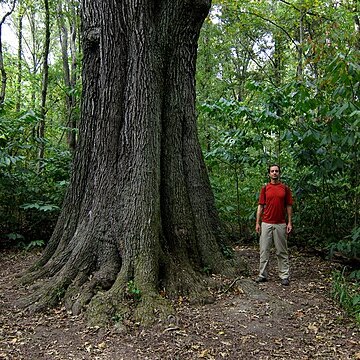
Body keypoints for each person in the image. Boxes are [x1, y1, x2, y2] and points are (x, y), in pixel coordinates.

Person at [255, 164, 293, 286]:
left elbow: (288, 206)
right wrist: (258, 223)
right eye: (272, 171)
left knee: (281, 250)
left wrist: (289, 222)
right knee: (264, 250)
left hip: (280, 224)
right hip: (266, 223)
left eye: (276, 171)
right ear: (269, 174)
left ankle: (284, 275)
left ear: (279, 173)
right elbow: (260, 206)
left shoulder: (285, 189)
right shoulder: (265, 188)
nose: (274, 173)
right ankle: (262, 275)